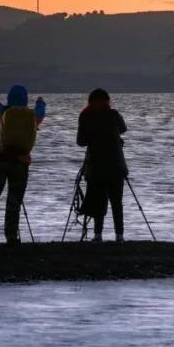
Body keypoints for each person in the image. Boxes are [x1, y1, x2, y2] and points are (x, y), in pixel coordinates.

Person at [0, 85, 46, 246]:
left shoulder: (2, 112)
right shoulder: (30, 115)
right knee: (14, 201)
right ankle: (11, 236)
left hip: (0, 160)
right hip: (21, 162)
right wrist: (40, 103)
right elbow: (40, 115)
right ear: (25, 99)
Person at [77, 88, 128, 242]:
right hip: (116, 165)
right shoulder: (113, 114)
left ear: (91, 101)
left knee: (98, 201)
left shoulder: (86, 116)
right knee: (117, 202)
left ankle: (98, 235)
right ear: (107, 100)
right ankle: (119, 235)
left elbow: (80, 142)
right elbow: (124, 129)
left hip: (96, 166)